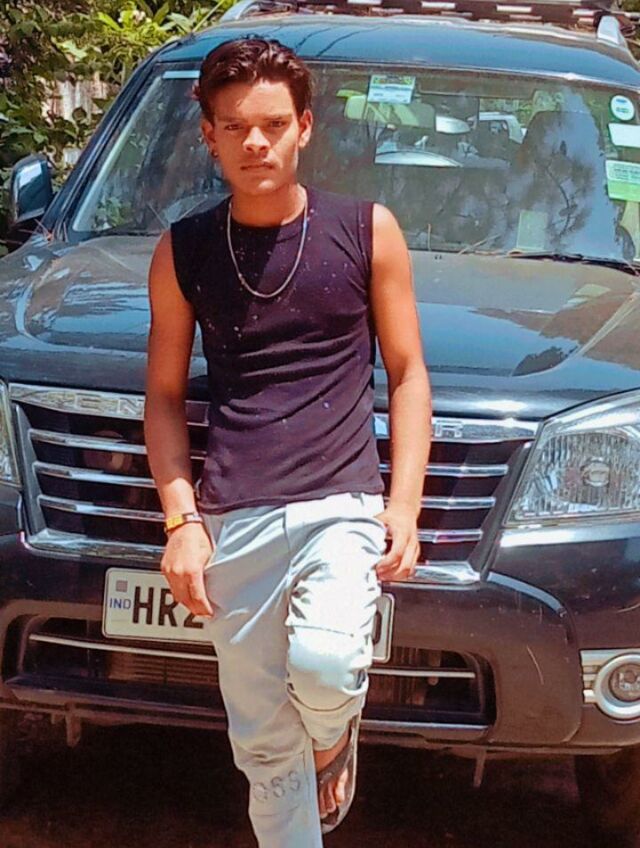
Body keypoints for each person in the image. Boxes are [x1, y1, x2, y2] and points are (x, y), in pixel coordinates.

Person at [143, 37, 431, 848]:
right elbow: (163, 398)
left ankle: (334, 738)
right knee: (266, 752)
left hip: (341, 504)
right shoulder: (184, 250)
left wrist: (404, 507)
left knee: (327, 665)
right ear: (209, 135)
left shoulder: (367, 232)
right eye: (235, 127)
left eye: (273, 124)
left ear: (304, 126)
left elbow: (408, 374)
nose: (256, 143)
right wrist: (181, 520)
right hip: (234, 516)